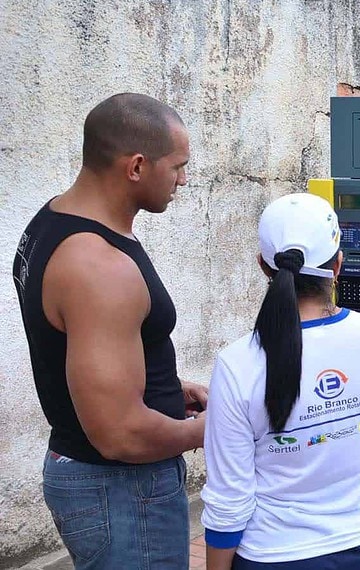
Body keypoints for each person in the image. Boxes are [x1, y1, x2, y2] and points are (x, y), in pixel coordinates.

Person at [200, 193, 360, 570]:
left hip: (276, 555)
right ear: (338, 266)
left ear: (264, 268)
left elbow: (228, 500)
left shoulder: (237, 365)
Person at [11, 93, 205, 569]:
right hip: (123, 492)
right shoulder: (99, 265)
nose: (183, 179)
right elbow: (121, 434)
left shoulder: (51, 222)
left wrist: (167, 389)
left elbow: (77, 349)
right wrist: (216, 429)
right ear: (136, 166)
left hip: (104, 485)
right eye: (178, 165)